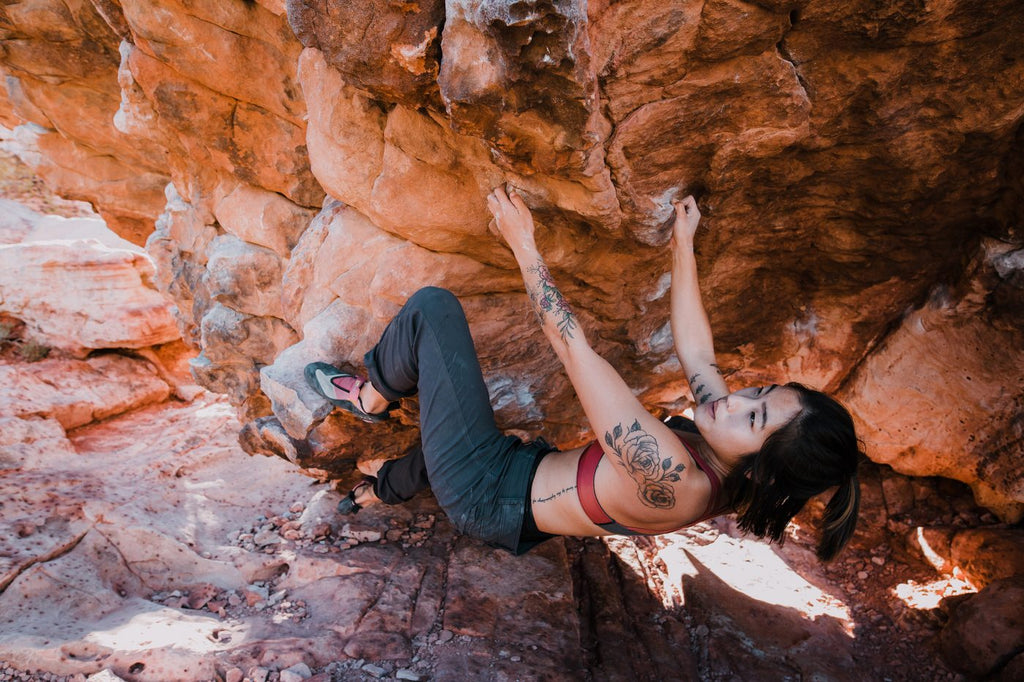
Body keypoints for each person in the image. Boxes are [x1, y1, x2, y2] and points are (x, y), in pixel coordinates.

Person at [305, 187, 862, 561]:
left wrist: (523, 243)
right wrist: (682, 245)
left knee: (433, 309)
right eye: (757, 392)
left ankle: (373, 396)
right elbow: (699, 356)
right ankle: (375, 492)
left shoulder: (672, 476)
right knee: (441, 436)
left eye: (755, 415)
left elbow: (575, 352)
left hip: (487, 492)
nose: (733, 400)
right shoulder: (740, 459)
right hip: (518, 474)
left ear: (765, 467)